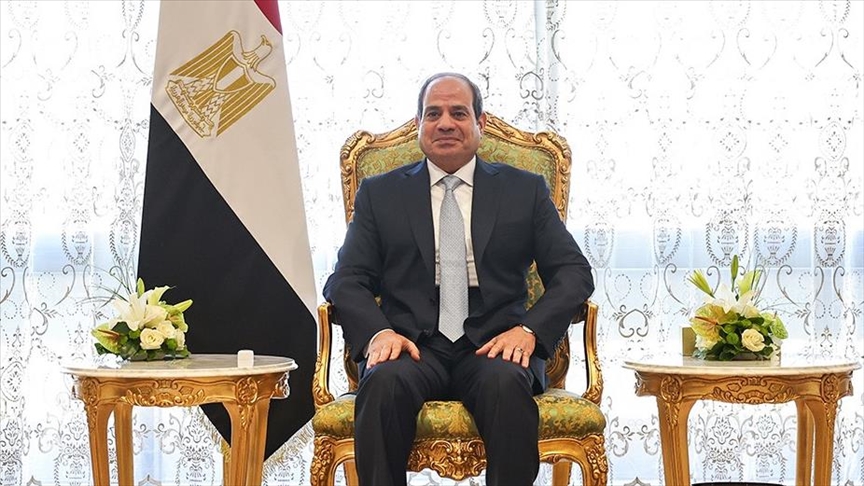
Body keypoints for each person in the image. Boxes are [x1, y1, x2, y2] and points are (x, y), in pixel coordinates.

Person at [323, 72, 594, 486]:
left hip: (495, 343)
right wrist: (378, 334)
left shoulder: (524, 190)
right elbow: (346, 280)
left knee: (505, 384)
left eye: (458, 113)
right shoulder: (380, 194)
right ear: (419, 124)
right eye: (433, 114)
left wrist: (528, 332)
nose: (445, 123)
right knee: (383, 384)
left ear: (479, 124)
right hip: (410, 343)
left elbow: (574, 272)